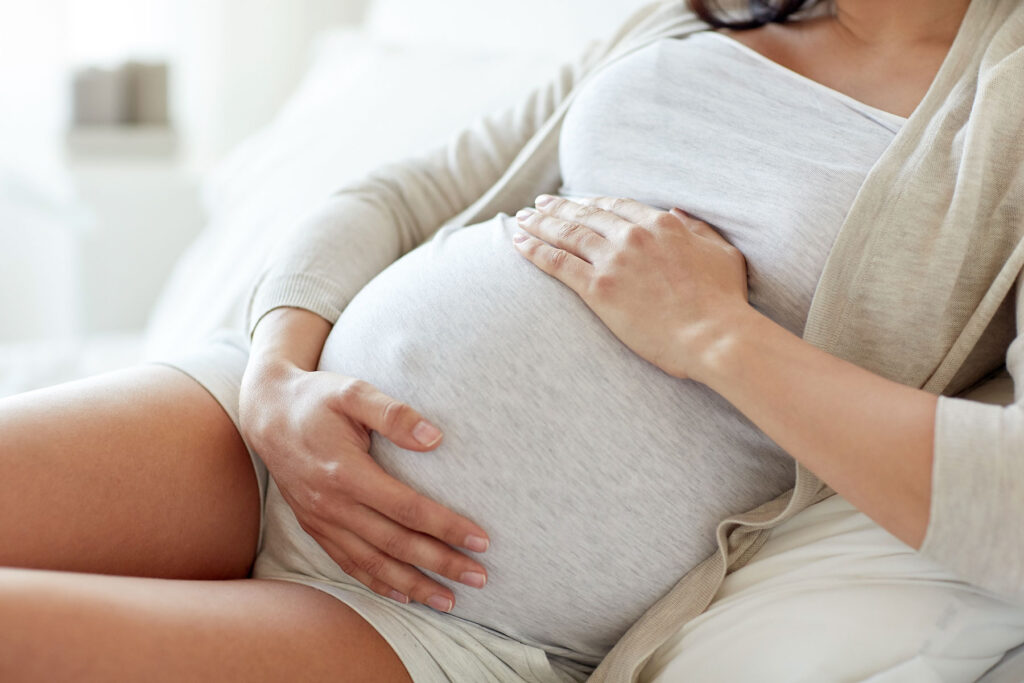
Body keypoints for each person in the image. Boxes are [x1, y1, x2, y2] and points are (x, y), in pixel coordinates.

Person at [1, 0, 1022, 681]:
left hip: (443, 612)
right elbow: (395, 193)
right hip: (253, 429)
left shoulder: (1004, 105)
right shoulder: (688, 15)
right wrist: (277, 367)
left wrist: (713, 333)